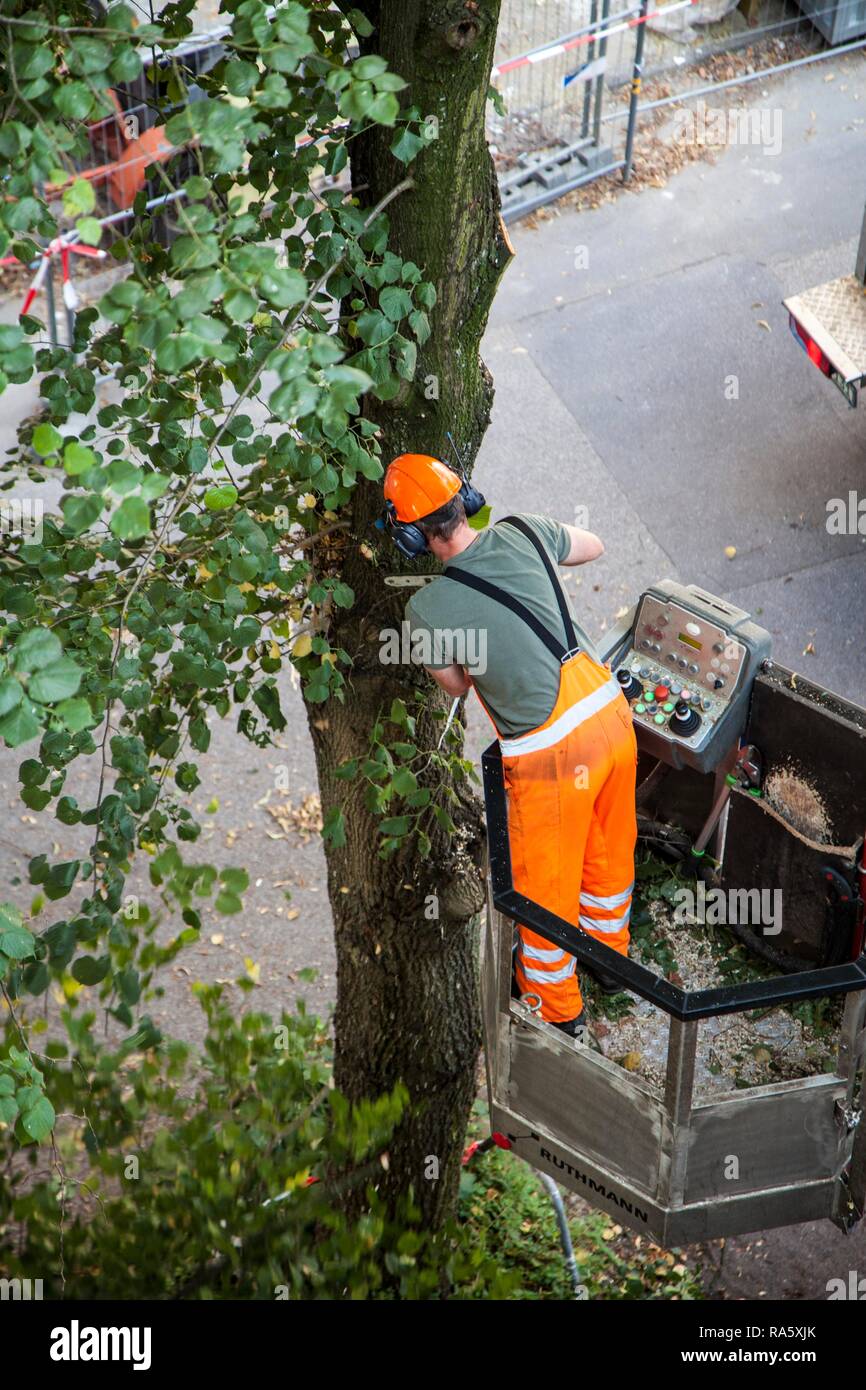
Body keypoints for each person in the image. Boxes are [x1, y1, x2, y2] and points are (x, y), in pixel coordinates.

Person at [383, 452, 637, 1039]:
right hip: (609, 715)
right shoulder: (525, 529)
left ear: (410, 535)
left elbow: (456, 686)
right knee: (607, 850)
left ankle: (557, 1014)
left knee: (543, 894)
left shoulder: (425, 609)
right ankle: (610, 959)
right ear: (463, 500)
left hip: (551, 754)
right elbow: (592, 545)